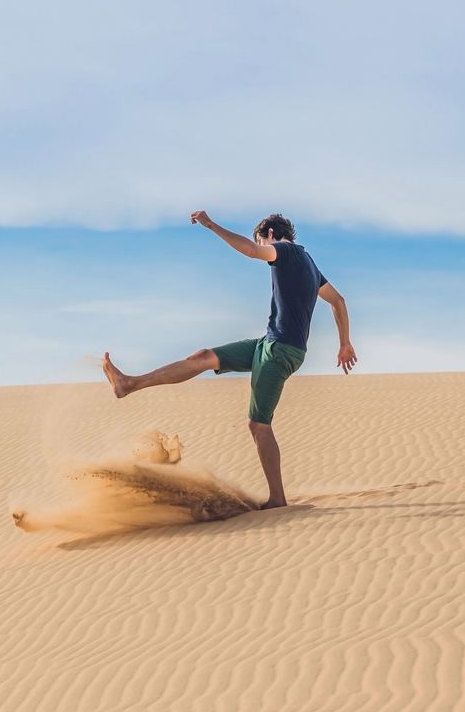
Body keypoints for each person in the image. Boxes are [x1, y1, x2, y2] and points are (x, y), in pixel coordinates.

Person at [101, 211, 356, 509]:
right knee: (204, 357)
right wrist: (345, 342)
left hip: (280, 351)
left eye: (261, 240)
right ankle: (129, 383)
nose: (261, 247)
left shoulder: (284, 251)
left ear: (270, 234)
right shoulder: (311, 265)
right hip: (270, 343)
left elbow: (251, 251)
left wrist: (211, 226)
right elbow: (338, 300)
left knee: (258, 424)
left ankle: (277, 499)